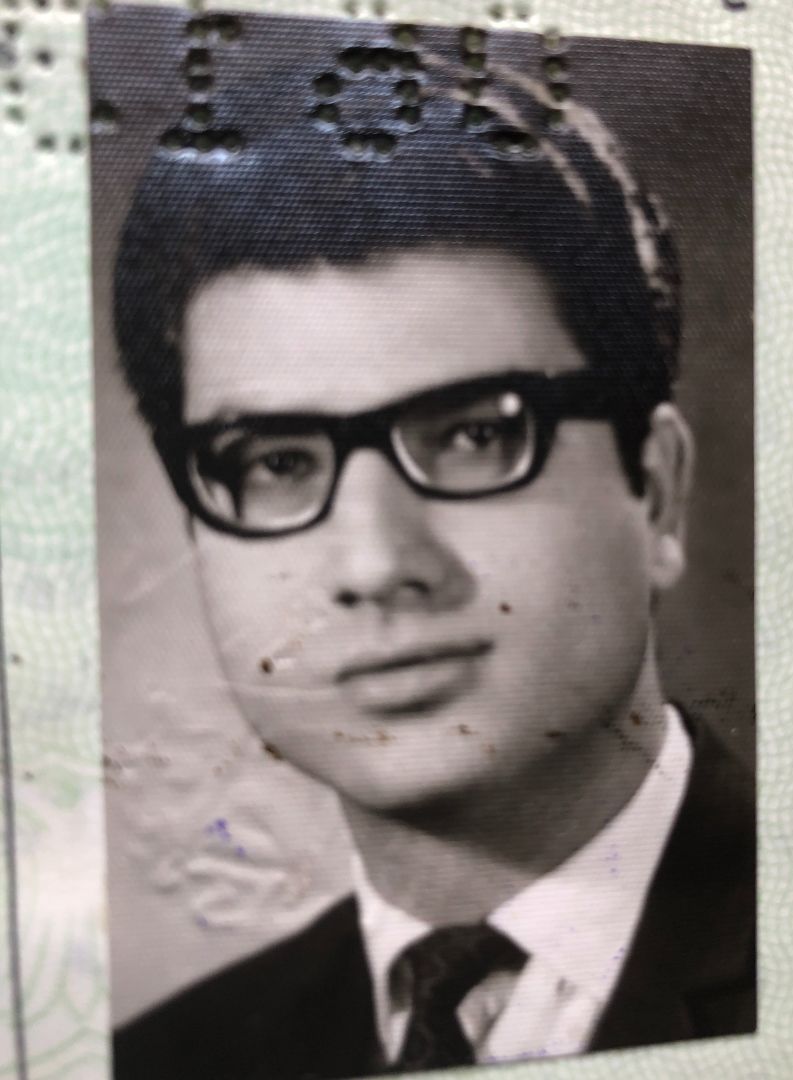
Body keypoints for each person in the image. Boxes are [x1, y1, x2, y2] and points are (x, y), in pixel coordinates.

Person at [108, 62, 753, 1077]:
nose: (376, 563)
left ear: (659, 491)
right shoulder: (165, 1059)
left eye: (471, 436)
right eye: (273, 463)